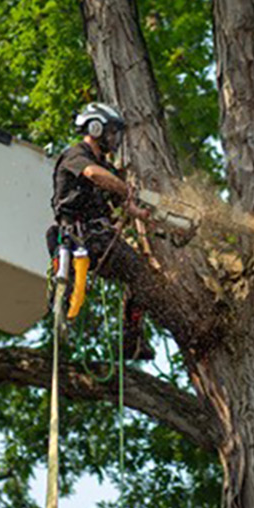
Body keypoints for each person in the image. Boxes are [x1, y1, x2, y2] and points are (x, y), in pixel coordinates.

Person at [51, 102, 156, 361]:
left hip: (102, 239)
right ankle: (61, 307)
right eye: (110, 131)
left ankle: (132, 338)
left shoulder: (107, 168)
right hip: (80, 237)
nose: (114, 138)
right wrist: (124, 187)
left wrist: (145, 214)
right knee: (140, 275)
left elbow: (127, 205)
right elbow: (93, 175)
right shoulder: (76, 155)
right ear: (95, 127)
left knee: (142, 277)